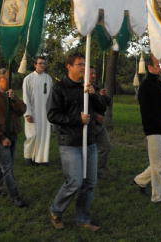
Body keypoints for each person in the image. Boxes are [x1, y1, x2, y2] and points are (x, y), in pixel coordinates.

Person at [46, 52, 106, 231]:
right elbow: (52, 115)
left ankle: (83, 219)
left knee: (90, 183)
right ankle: (56, 210)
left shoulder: (87, 87)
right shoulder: (59, 88)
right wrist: (76, 118)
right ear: (69, 67)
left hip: (89, 141)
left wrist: (94, 94)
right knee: (75, 182)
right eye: (79, 64)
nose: (83, 68)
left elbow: (102, 108)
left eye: (84, 64)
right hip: (70, 142)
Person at [134, 55, 161, 204]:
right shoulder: (145, 87)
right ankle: (157, 197)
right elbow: (146, 113)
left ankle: (140, 180)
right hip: (153, 130)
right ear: (149, 67)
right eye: (158, 65)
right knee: (158, 164)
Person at [0, 68, 28, 208]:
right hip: (2, 138)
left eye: (12, 81)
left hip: (13, 135)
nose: (11, 83)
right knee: (8, 168)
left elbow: (22, 110)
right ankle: (15, 197)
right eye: (8, 80)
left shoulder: (10, 95)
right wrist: (1, 137)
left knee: (6, 165)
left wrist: (14, 99)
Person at [23, 56, 53, 166]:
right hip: (33, 112)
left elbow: (51, 96)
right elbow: (26, 97)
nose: (42, 65)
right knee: (32, 135)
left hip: (45, 113)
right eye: (40, 63)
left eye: (44, 63)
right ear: (35, 64)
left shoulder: (48, 78)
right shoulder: (28, 79)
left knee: (44, 135)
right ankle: (28, 157)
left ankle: (42, 158)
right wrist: (28, 113)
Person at [89, 66, 112, 179]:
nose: (93, 76)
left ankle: (99, 172)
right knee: (88, 151)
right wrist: (94, 116)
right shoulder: (82, 89)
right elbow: (80, 107)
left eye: (94, 73)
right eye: (91, 74)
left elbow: (106, 104)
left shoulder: (97, 88)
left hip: (100, 126)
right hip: (89, 125)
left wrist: (105, 96)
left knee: (106, 146)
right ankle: (87, 172)